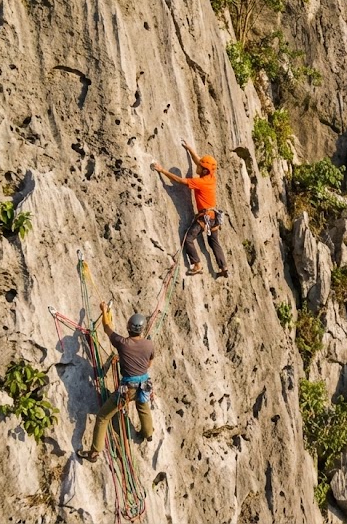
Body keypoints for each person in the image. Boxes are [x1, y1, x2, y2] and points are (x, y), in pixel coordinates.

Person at [77, 302, 154, 462]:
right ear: (142, 329)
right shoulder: (149, 344)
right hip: (145, 384)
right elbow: (148, 364)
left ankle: (94, 453)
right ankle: (148, 434)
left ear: (128, 327)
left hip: (128, 388)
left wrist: (104, 310)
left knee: (102, 417)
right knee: (143, 406)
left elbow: (107, 327)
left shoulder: (122, 343)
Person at [152, 140, 229, 278]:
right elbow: (198, 160)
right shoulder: (211, 177)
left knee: (188, 239)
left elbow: (180, 181)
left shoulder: (200, 182)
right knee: (213, 241)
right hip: (214, 216)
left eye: (199, 166)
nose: (197, 166)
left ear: (204, 170)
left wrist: (162, 170)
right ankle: (223, 267)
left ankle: (197, 265)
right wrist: (189, 149)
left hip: (205, 217)